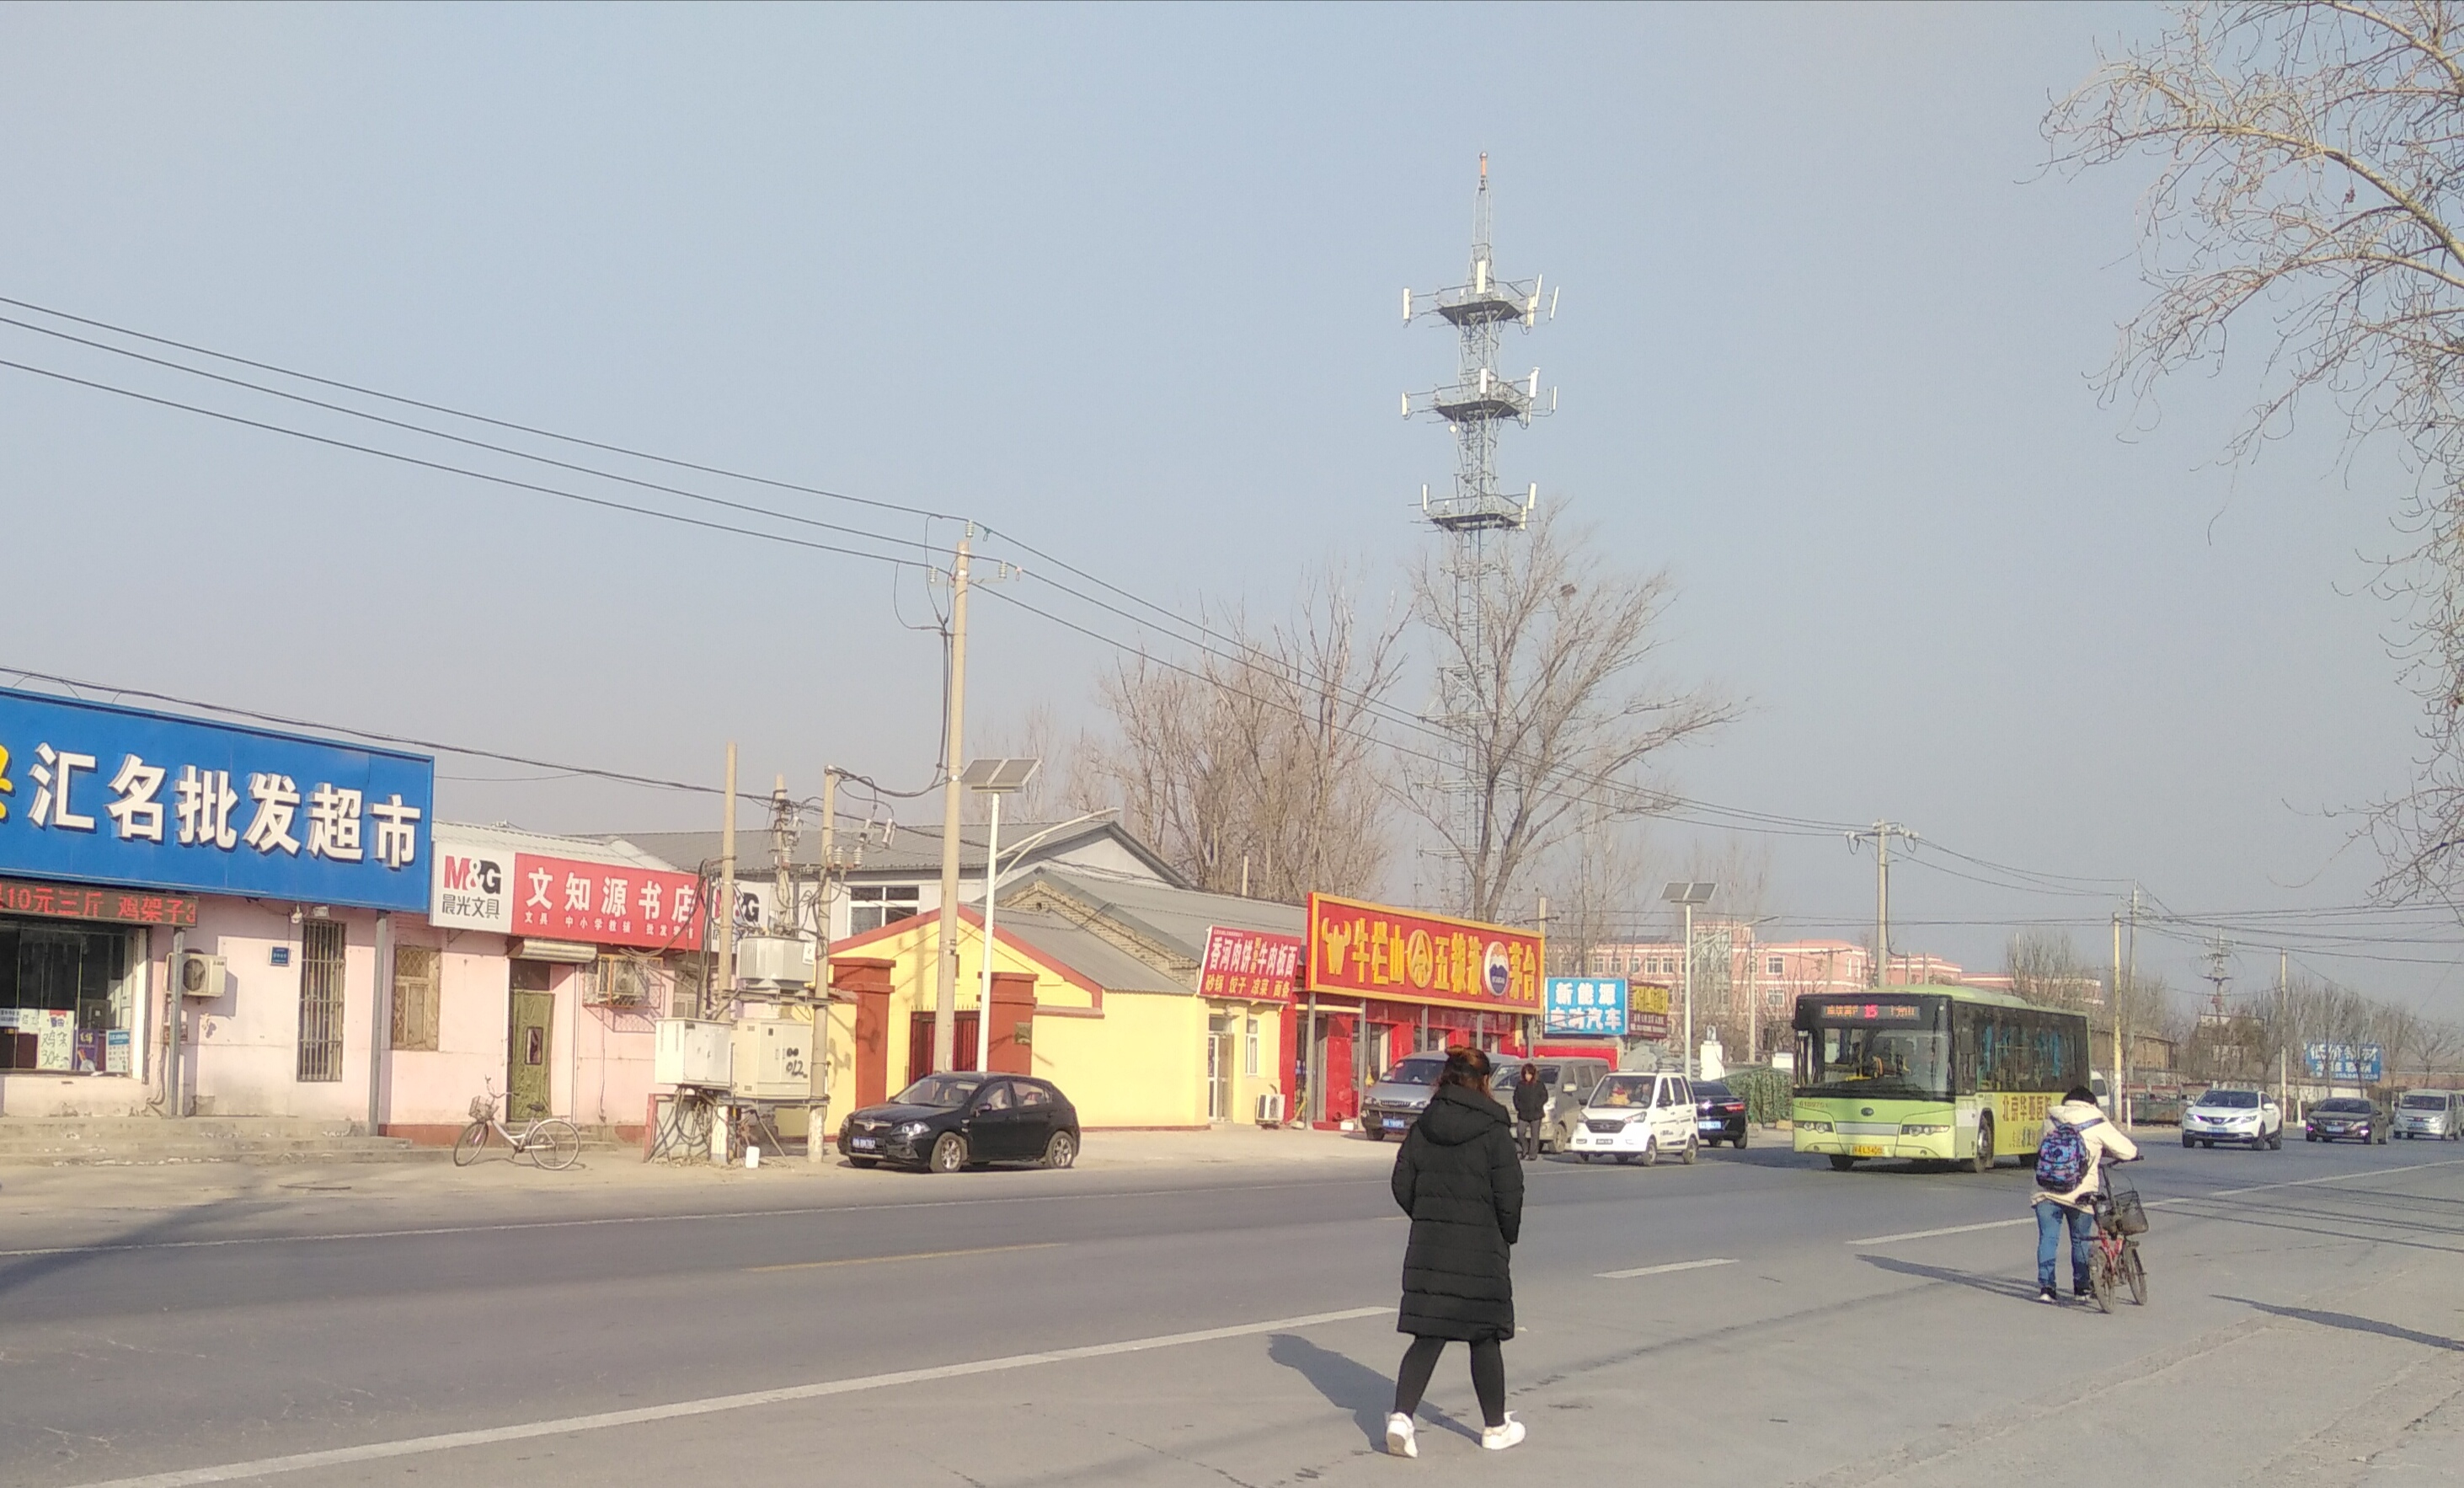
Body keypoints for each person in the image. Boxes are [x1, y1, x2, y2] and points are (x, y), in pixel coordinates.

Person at [1386, 1046, 1526, 1456]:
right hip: (1481, 1251)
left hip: (1431, 1249)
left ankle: (1401, 1418)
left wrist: (1427, 1217)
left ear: (1446, 1078)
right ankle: (1495, 1428)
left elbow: (1401, 1183)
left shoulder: (1425, 1125)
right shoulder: (1494, 1130)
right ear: (1484, 1081)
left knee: (1428, 1336)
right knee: (1484, 1337)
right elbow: (1510, 1194)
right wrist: (1505, 1237)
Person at [2033, 1083, 2138, 1303]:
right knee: (2080, 1240)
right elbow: (2128, 1151)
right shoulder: (2097, 1121)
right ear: (2091, 1103)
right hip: (2080, 1194)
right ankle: (2081, 1288)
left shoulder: (2051, 1119)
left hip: (2045, 1191)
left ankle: (2047, 1288)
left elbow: (2041, 1151)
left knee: (2048, 1239)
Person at [1510, 1063, 1548, 1162]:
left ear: (1533, 1074)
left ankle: (1532, 1155)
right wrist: (1518, 1107)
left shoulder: (1539, 1085)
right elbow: (1515, 1098)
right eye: (1526, 1074)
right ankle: (1525, 1149)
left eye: (1529, 1074)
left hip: (1536, 1114)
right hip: (1523, 1114)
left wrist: (1538, 1105)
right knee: (1520, 1132)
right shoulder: (1520, 1085)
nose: (1527, 1076)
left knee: (1534, 1136)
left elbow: (1544, 1097)